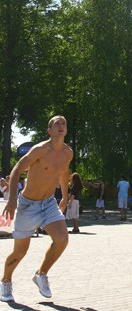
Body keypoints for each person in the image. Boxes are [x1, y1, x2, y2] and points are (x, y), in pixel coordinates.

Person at [0, 115, 72, 303]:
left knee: (62, 239)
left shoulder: (67, 153)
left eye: (63, 123)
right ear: (49, 130)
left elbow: (64, 173)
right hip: (28, 205)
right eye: (56, 124)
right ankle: (5, 281)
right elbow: (17, 169)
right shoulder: (39, 150)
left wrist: (65, 196)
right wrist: (12, 199)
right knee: (20, 252)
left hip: (48, 203)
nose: (61, 126)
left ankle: (41, 274)